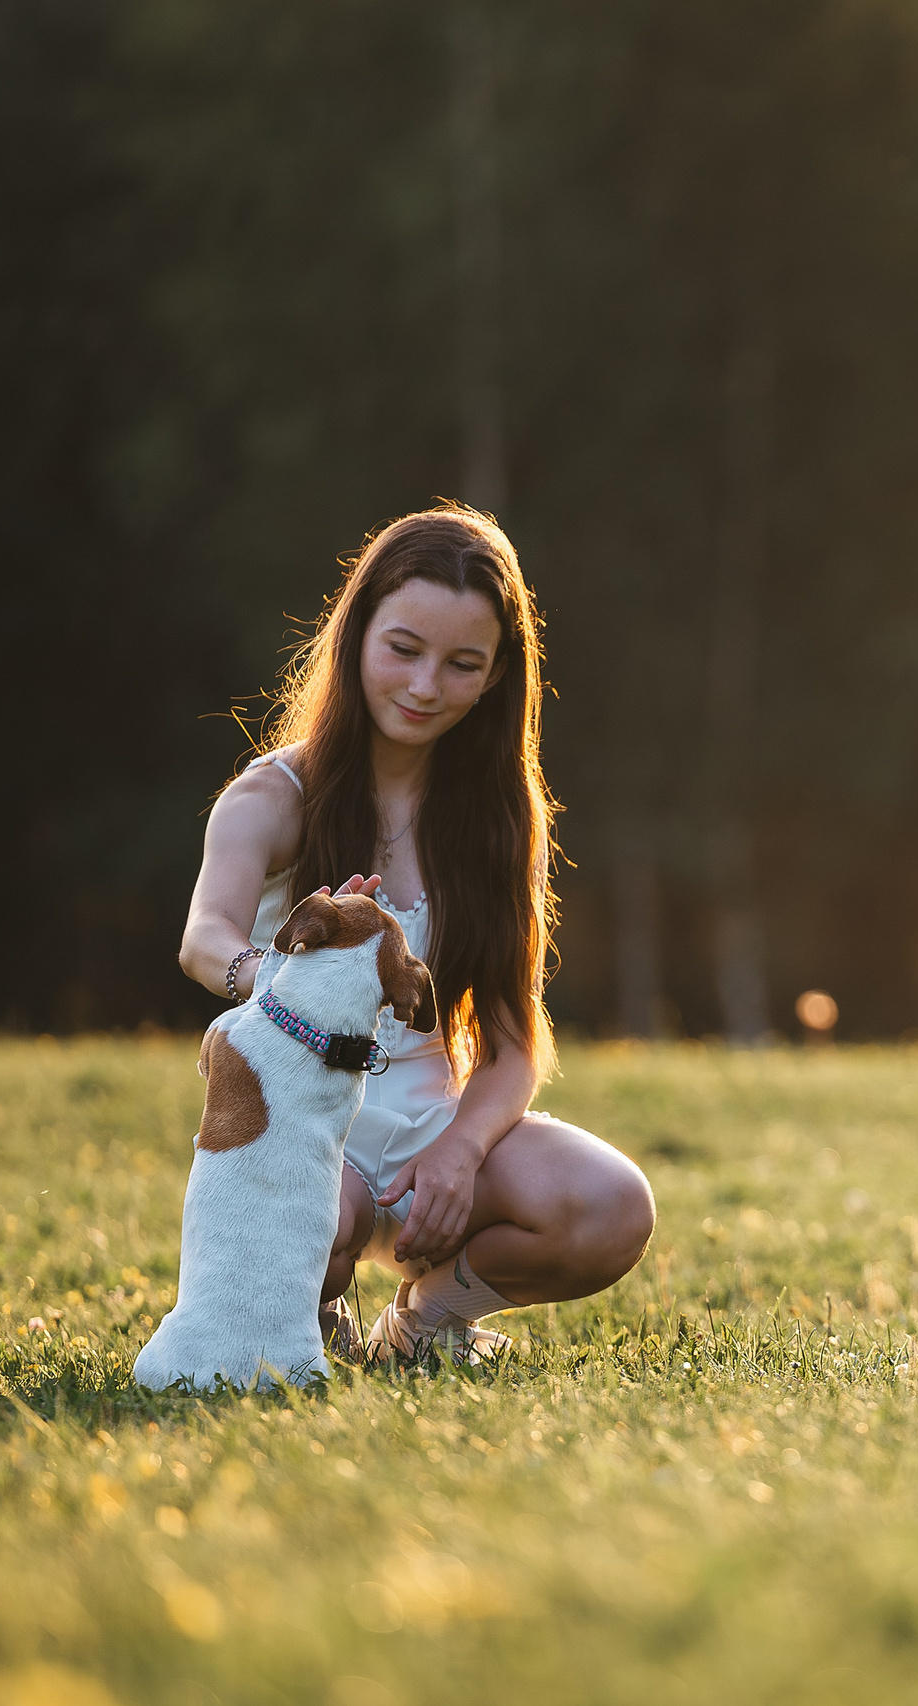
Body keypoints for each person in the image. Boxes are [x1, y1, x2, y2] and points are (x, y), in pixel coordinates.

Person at [176, 504, 654, 1363]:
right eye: (404, 649)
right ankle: (312, 1318)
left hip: (434, 1125)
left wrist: (460, 1153)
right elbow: (203, 938)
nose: (426, 685)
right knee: (313, 1222)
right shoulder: (273, 797)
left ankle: (423, 1326)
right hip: (308, 1120)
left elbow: (512, 1043)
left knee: (613, 1205)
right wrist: (283, 976)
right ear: (356, 635)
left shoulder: (505, 821)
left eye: (461, 663)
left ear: (496, 676)